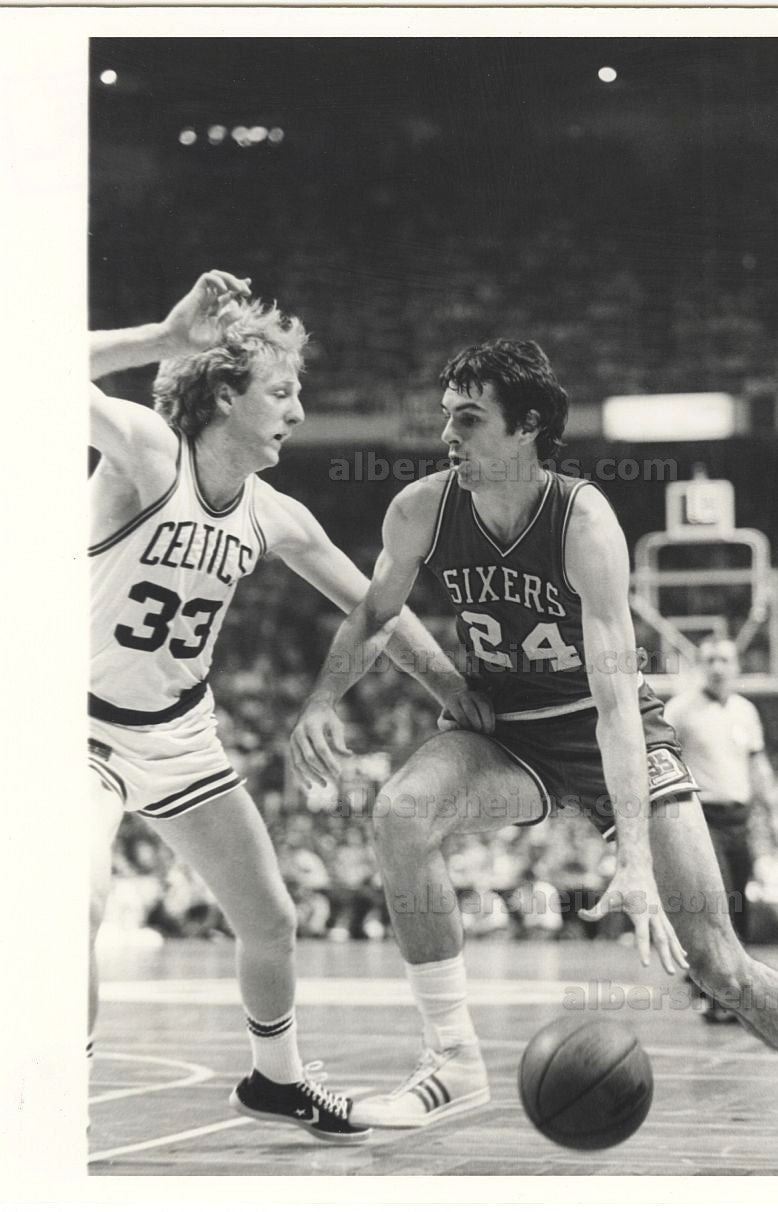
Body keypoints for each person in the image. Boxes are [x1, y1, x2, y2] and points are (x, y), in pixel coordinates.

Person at [291, 339, 778, 1175]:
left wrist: (632, 857)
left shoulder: (583, 521)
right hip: (509, 735)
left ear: (527, 427)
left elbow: (614, 706)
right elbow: (376, 613)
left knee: (714, 961)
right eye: (447, 415)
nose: (448, 434)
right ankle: (452, 1061)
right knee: (400, 812)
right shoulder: (420, 509)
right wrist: (324, 699)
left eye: (469, 419)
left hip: (607, 730)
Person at [90, 271, 489, 1144]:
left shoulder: (273, 513)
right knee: (74, 905)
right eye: (280, 392)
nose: (299, 412)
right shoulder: (149, 454)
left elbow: (377, 608)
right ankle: (59, 1111)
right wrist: (163, 339)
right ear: (222, 395)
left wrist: (454, 689)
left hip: (177, 732)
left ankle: (276, 1080)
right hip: (75, 725)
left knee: (270, 918)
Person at [664, 636, 775, 1021]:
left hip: (739, 817)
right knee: (719, 899)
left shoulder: (745, 710)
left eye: (724, 660)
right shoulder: (680, 709)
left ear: (736, 666)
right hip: (700, 816)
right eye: (710, 660)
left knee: (739, 899)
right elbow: (660, 758)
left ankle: (724, 980)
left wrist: (774, 814)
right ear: (700, 666)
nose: (717, 667)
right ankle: (718, 993)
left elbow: (758, 765)